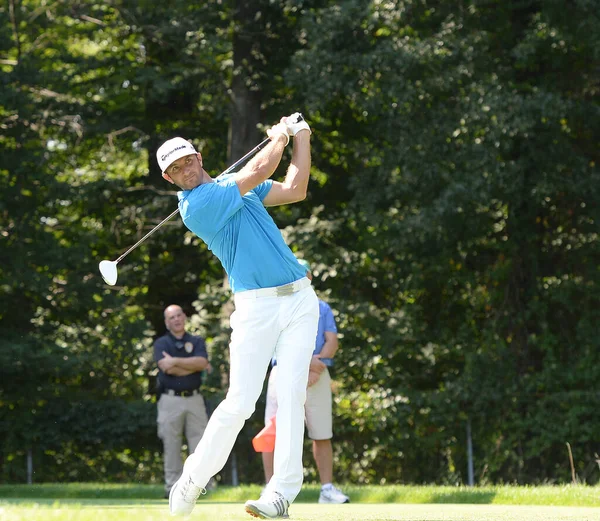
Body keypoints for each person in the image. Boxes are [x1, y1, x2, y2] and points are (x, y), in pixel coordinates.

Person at [156, 113, 318, 519]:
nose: (184, 171)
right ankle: (192, 479)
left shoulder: (235, 188)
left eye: (186, 160)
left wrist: (302, 136)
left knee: (293, 394)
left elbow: (296, 189)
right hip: (256, 307)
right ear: (169, 180)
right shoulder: (197, 205)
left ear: (198, 155)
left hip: (300, 299)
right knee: (241, 402)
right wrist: (279, 134)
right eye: (174, 170)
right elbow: (259, 166)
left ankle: (280, 494)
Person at [262, 259, 350, 504]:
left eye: (302, 274)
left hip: (318, 374)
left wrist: (314, 366)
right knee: (274, 432)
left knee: (321, 433)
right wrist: (308, 364)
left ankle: (327, 490)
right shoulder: (275, 306)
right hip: (285, 372)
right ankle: (270, 488)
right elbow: (273, 344)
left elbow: (331, 342)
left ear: (309, 277)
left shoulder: (322, 307)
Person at [154, 304, 210, 498]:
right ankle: (172, 489)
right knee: (171, 445)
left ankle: (202, 488)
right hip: (170, 400)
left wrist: (175, 361)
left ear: (184, 316)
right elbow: (166, 368)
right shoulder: (161, 343)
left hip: (195, 398)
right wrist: (191, 365)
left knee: (201, 444)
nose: (176, 319)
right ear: (166, 322)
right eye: (172, 317)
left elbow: (202, 363)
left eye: (179, 315)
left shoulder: (196, 340)